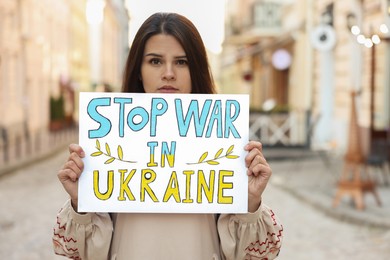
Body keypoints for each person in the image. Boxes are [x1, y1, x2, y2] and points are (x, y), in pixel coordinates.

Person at [52, 12, 283, 260]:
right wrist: (81, 201)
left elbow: (252, 255)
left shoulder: (224, 142)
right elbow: (83, 252)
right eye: (155, 61)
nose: (169, 73)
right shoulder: (108, 140)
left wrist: (249, 201)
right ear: (138, 70)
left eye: (182, 62)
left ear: (196, 69)